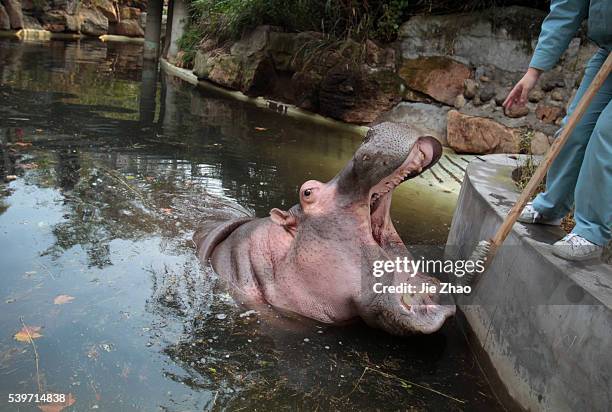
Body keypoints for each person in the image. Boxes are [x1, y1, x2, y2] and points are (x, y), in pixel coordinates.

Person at [503, 0, 611, 261]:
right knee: (574, 129)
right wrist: (533, 73)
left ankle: (591, 232)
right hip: (607, 53)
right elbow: (566, 9)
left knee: (606, 137)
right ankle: (551, 207)